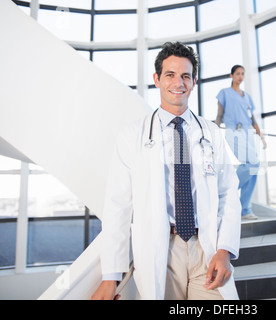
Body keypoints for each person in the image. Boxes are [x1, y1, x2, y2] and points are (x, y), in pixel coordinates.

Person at [91, 42, 241, 300]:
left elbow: (229, 194)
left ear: (194, 81)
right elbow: (117, 207)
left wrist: (225, 250)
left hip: (206, 249)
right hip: (161, 250)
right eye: (170, 75)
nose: (178, 83)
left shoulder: (212, 134)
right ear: (157, 79)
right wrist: (110, 277)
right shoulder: (131, 136)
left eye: (185, 76)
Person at [215, 65, 266, 220]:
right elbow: (219, 115)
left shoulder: (247, 96)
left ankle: (245, 209)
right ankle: (225, 193)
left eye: (243, 74)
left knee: (253, 169)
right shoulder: (224, 93)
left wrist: (261, 136)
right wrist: (215, 133)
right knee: (253, 163)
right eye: (238, 73)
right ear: (231, 75)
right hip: (233, 131)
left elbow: (252, 119)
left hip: (248, 132)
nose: (240, 76)